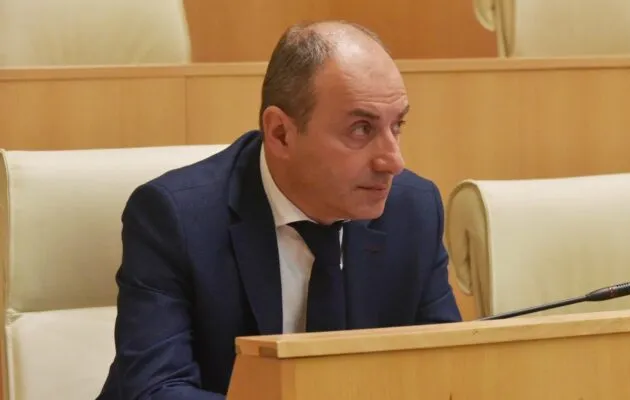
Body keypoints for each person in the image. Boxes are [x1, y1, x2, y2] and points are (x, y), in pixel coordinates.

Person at [96, 20, 462, 399]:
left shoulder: (412, 211)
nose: (393, 161)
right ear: (280, 133)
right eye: (360, 129)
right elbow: (157, 391)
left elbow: (449, 374)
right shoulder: (175, 219)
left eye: (397, 125)